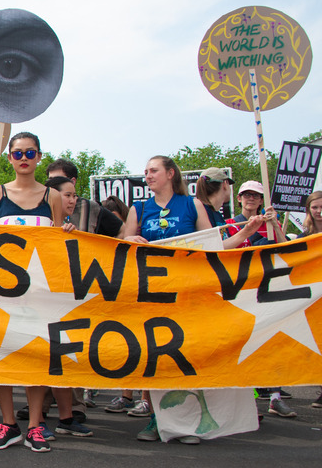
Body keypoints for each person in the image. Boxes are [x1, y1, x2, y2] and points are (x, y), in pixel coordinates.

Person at [0, 133, 64, 453]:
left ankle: (35, 425)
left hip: (41, 292)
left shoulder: (53, 197)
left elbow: (58, 245)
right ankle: (8, 423)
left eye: (30, 152)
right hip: (3, 291)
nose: (24, 158)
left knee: (37, 355)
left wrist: (67, 233)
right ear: (10, 158)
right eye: (17, 153)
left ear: (40, 157)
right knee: (3, 353)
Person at [124, 156, 211, 444]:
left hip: (187, 294)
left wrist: (248, 232)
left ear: (170, 173)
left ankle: (189, 423)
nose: (147, 176)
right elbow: (121, 246)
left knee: (185, 357)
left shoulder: (192, 205)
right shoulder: (139, 208)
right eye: (145, 171)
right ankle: (156, 419)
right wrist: (130, 241)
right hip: (152, 294)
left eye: (153, 171)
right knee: (157, 356)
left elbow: (212, 246)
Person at [46, 158, 125, 238]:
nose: (51, 185)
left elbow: (122, 229)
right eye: (49, 180)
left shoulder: (91, 207)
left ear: (73, 181)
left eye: (58, 180)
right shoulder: (41, 209)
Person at [224, 181, 286, 247]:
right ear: (239, 198)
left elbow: (286, 249)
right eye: (247, 195)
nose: (251, 198)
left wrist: (276, 225)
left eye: (256, 195)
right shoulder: (230, 224)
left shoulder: (269, 223)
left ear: (261, 201)